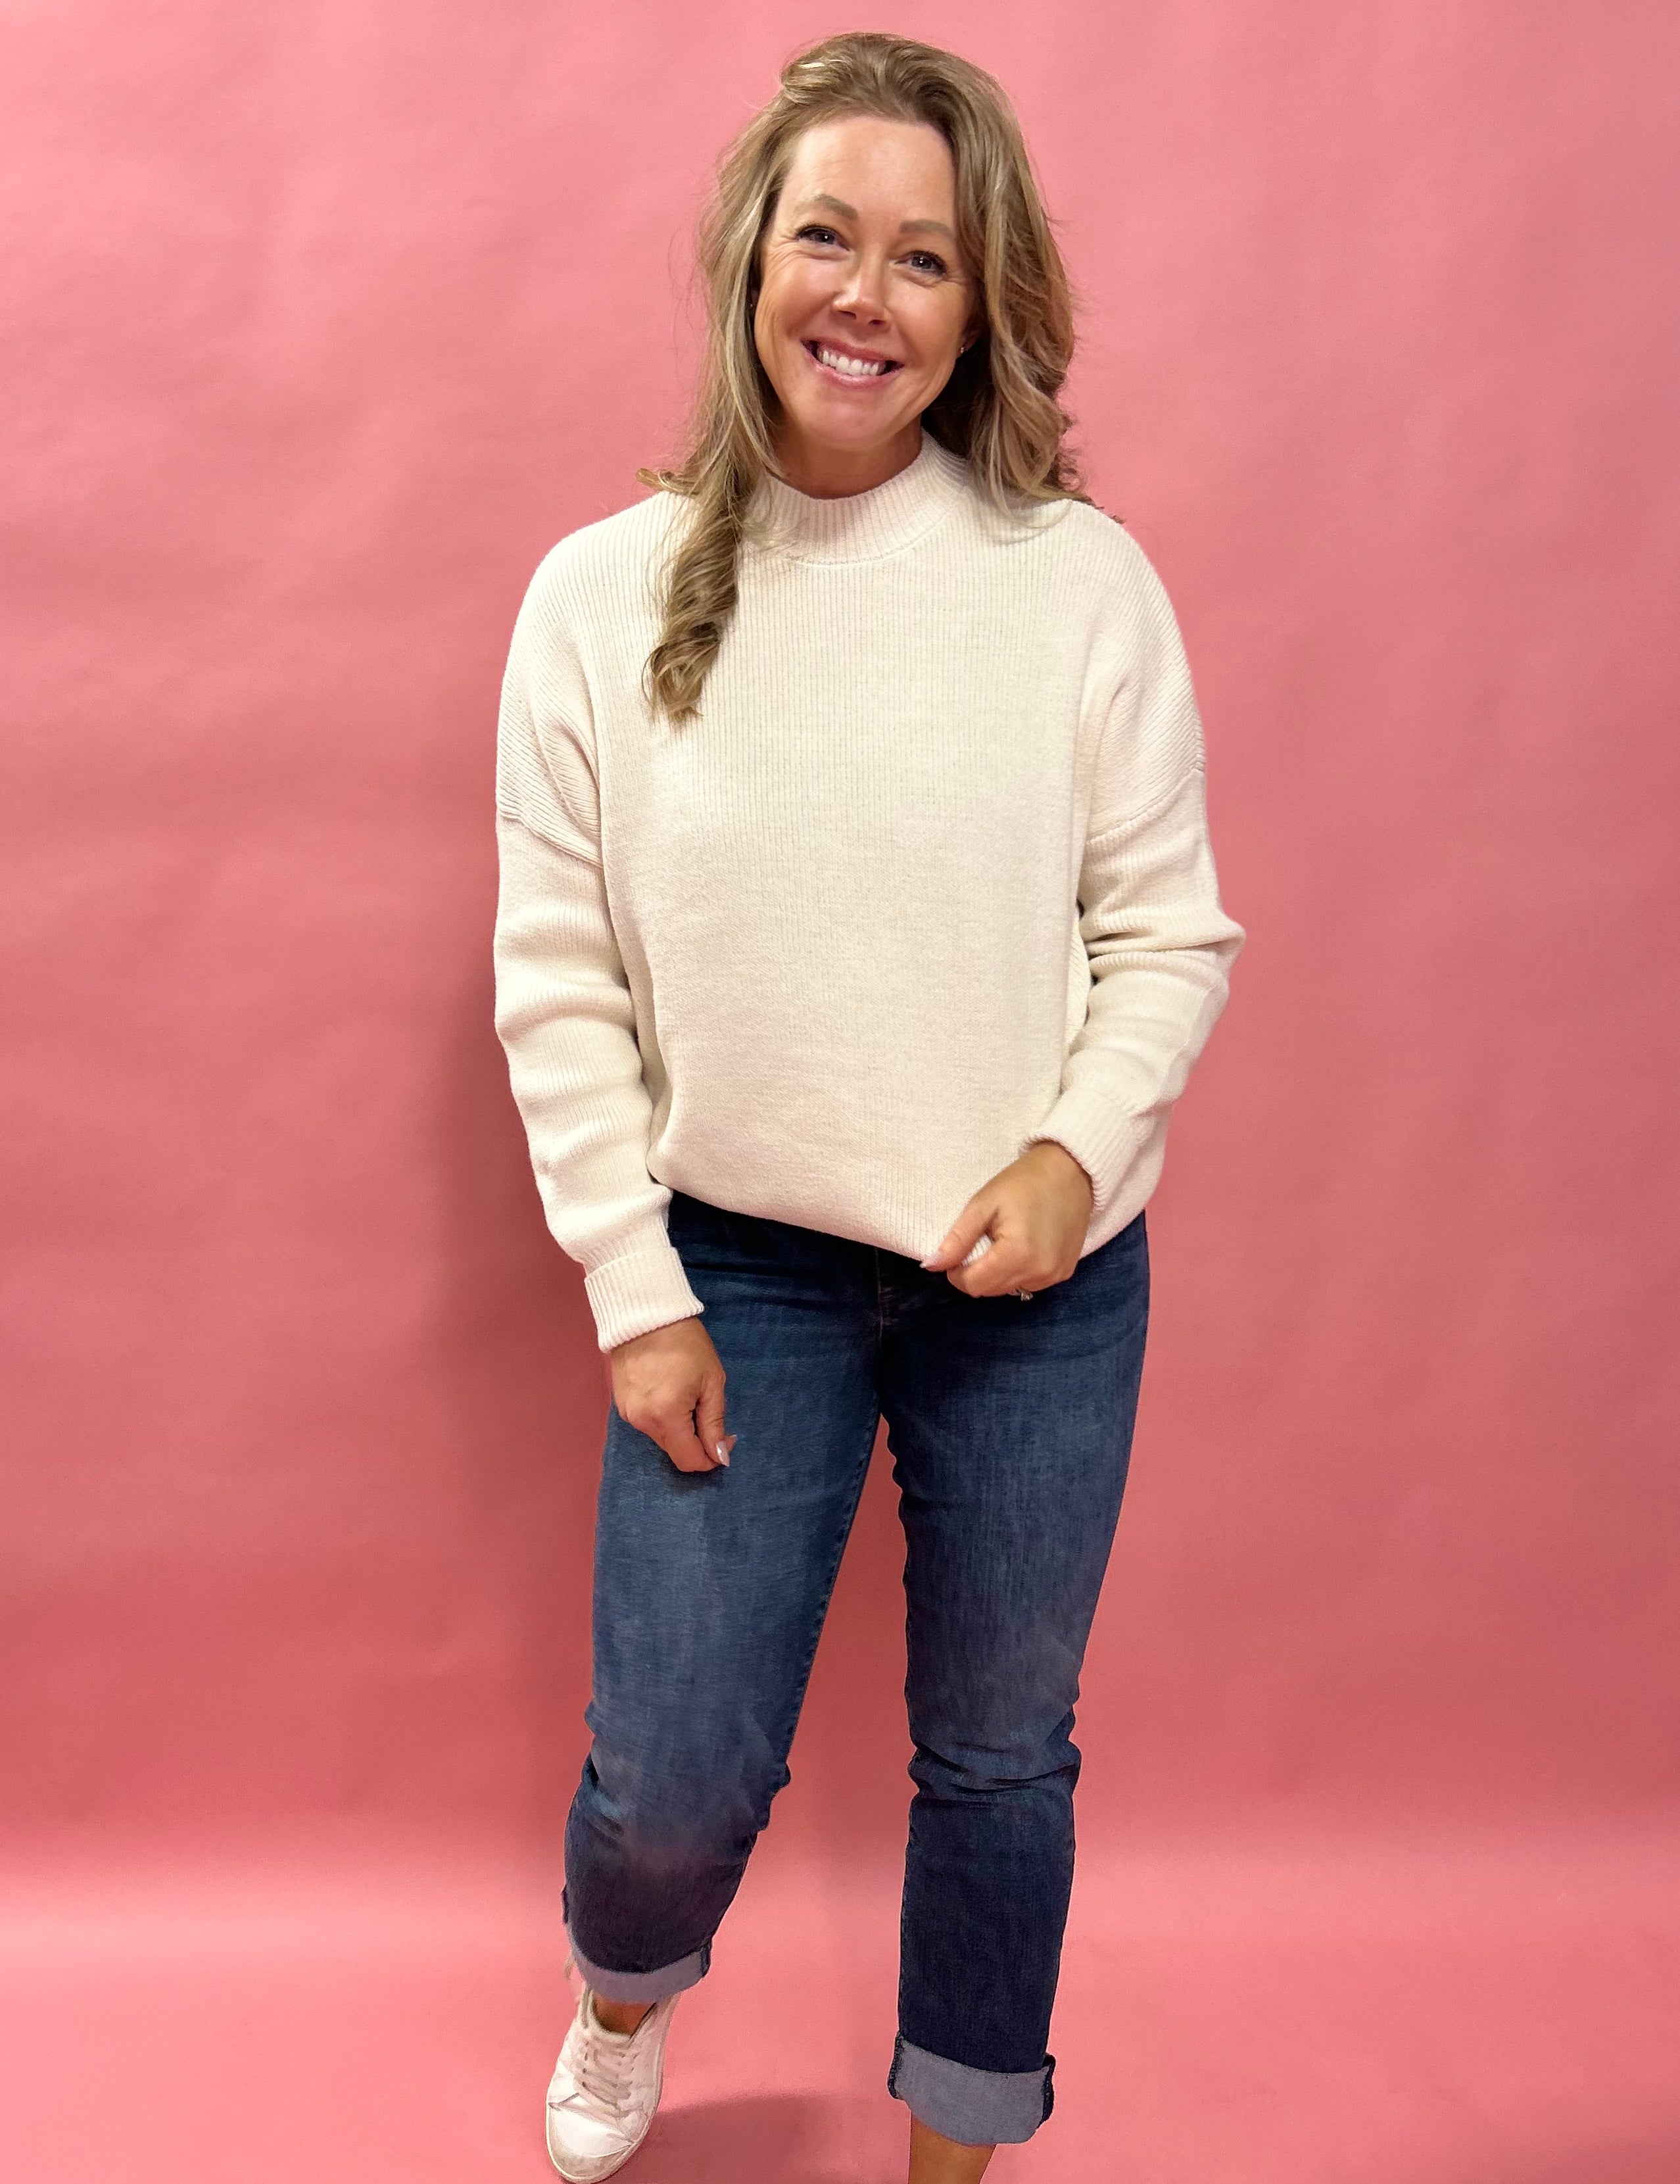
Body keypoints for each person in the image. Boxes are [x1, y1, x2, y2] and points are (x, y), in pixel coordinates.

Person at [492, 31, 1245, 2183]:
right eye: (826, 233)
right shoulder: (598, 596)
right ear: (752, 260)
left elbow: (1165, 933)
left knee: (1001, 1757)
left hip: (1037, 1281)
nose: (866, 293)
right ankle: (620, 1992)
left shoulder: (1074, 584)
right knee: (673, 1770)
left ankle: (953, 2157)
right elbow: (557, 979)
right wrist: (634, 1289)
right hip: (736, 1267)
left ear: (980, 304)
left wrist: (1069, 1156)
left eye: (925, 255)